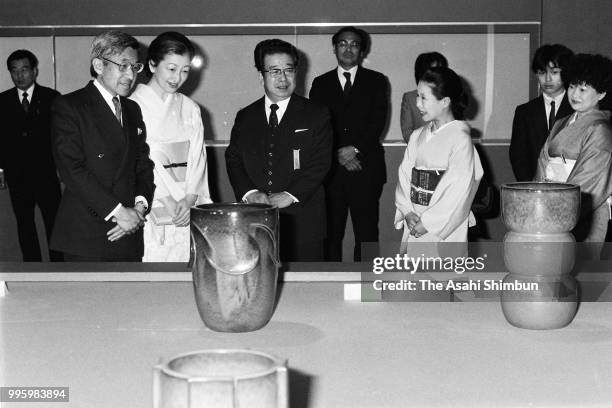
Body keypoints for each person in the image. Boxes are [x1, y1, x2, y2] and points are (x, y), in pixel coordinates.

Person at [50, 30, 155, 261]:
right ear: (99, 65)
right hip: (88, 234)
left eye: (135, 67)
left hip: (129, 232)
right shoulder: (70, 106)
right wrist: (119, 212)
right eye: (123, 65)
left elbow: (143, 164)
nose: (130, 75)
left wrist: (139, 209)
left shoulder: (132, 109)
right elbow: (71, 170)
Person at [226, 39, 332, 262]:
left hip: (305, 219)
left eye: (288, 70)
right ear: (260, 75)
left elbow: (321, 162)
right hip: (256, 218)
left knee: (308, 289)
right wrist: (249, 193)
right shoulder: (246, 116)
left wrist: (290, 195)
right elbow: (234, 158)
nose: (282, 78)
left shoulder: (316, 113)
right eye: (274, 71)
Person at [309, 26, 389, 261]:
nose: (348, 48)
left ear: (362, 50)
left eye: (354, 44)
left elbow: (377, 121)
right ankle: (329, 288)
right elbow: (317, 127)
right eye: (342, 43)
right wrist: (336, 153)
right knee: (330, 234)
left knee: (366, 233)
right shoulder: (320, 83)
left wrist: (353, 149)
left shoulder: (376, 81)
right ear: (334, 48)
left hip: (366, 167)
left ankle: (367, 286)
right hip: (331, 171)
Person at [130, 32, 211, 262]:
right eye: (172, 68)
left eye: (185, 70)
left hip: (187, 202)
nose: (178, 77)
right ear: (153, 64)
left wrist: (190, 199)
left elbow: (198, 158)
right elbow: (139, 159)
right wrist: (166, 200)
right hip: (153, 200)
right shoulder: (133, 106)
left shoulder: (190, 107)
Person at [394, 67, 483, 254]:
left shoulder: (460, 138)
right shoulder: (417, 136)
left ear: (444, 101)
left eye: (423, 98)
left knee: (443, 277)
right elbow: (404, 175)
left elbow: (459, 189)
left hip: (445, 224)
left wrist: (428, 222)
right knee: (417, 279)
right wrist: (407, 211)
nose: (417, 103)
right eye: (417, 96)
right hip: (415, 217)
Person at [535, 53, 612, 249]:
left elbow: (589, 179)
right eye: (571, 86)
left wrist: (560, 209)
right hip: (552, 200)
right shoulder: (562, 123)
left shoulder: (600, 130)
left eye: (583, 89)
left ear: (602, 94)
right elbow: (543, 161)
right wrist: (539, 198)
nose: (574, 94)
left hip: (584, 210)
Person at [0, 50, 63, 261]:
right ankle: (32, 268)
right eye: (14, 71)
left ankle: (58, 269)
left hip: (47, 174)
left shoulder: (52, 98)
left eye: (24, 70)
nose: (20, 76)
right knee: (24, 224)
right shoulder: (3, 101)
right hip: (17, 175)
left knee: (54, 223)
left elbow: (61, 138)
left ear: (34, 71)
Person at [510, 44, 574, 182]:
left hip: (572, 186)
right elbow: (518, 157)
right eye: (542, 72)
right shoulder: (524, 112)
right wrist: (530, 187)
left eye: (554, 72)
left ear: (566, 73)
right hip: (534, 187)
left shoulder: (577, 108)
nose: (548, 79)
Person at [400, 52, 448, 142]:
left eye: (441, 69)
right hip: (420, 151)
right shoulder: (410, 98)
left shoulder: (450, 96)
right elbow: (407, 132)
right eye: (433, 70)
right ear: (421, 73)